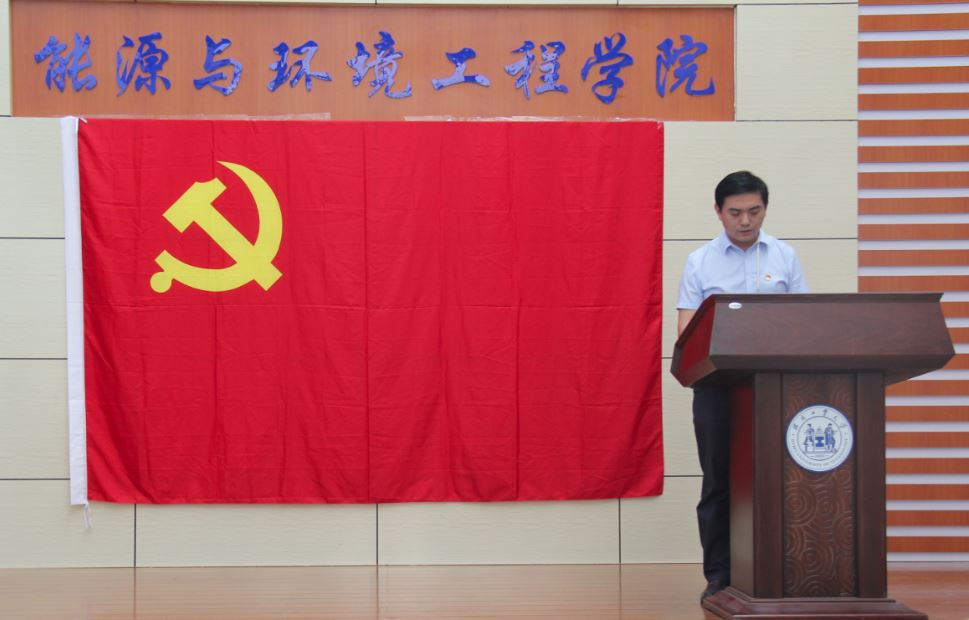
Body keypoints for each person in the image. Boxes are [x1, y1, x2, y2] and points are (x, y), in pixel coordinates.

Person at [676, 170, 808, 602]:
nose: (746, 221)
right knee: (719, 482)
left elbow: (806, 323)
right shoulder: (700, 262)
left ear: (765, 209)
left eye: (754, 211)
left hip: (776, 388)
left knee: (779, 479)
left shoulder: (785, 257)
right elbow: (686, 334)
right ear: (718, 212)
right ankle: (719, 576)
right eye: (735, 212)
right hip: (716, 388)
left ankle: (779, 572)